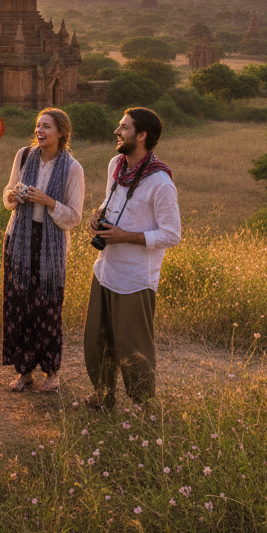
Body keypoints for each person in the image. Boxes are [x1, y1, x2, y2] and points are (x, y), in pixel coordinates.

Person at [84, 107, 181, 409]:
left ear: (141, 136)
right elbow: (112, 201)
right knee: (97, 340)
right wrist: (98, 215)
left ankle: (145, 406)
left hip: (136, 278)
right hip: (106, 268)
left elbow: (171, 235)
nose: (117, 131)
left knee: (133, 346)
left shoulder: (160, 182)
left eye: (124, 128)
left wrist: (127, 236)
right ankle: (103, 394)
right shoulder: (117, 164)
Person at [2, 108, 85, 393]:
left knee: (48, 309)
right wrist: (13, 195)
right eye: (38, 125)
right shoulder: (24, 156)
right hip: (20, 240)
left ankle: (52, 373)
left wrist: (48, 201)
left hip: (50, 246)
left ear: (61, 133)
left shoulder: (72, 167)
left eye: (47, 127)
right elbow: (7, 194)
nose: (40, 131)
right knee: (20, 306)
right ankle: (24, 372)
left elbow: (74, 217)